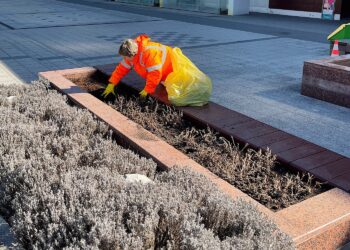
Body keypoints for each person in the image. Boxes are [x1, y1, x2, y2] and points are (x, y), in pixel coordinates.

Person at [102, 34, 174, 98]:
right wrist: (112, 83)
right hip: (164, 71)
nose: (124, 59)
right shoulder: (131, 55)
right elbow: (121, 69)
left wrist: (147, 90)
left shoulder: (149, 53)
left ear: (132, 55)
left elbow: (155, 73)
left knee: (174, 94)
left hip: (173, 70)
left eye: (125, 57)